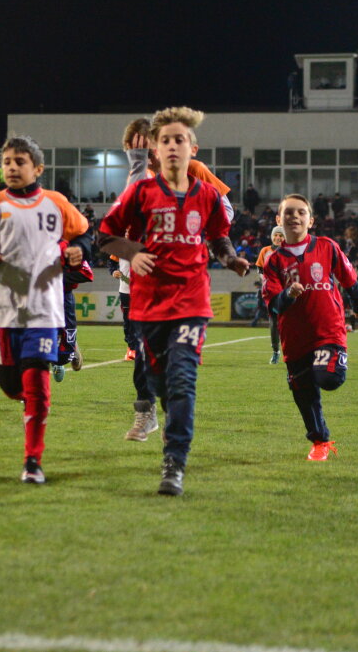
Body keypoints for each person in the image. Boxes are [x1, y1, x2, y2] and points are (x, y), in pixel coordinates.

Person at [98, 107, 250, 496]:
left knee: (183, 380)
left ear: (191, 148)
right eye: (164, 139)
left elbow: (218, 235)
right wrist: (132, 252)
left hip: (191, 302)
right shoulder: (140, 192)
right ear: (155, 147)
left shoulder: (207, 193)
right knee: (158, 380)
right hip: (148, 303)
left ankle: (174, 464)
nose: (171, 146)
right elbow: (105, 236)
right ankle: (157, 415)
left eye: (178, 139)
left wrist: (230, 258)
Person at [0, 135, 90, 485]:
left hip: (43, 309)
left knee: (38, 386)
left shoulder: (56, 203)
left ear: (38, 168)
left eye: (20, 162)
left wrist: (79, 249)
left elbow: (83, 235)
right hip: (3, 309)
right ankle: (27, 400)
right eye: (7, 162)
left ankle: (33, 461)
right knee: (9, 385)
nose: (12, 168)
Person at [262, 194, 358, 462]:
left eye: (301, 212)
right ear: (278, 219)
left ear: (311, 220)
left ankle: (333, 360)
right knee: (304, 394)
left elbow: (348, 278)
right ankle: (320, 442)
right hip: (295, 338)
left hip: (328, 330)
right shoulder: (273, 261)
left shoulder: (327, 247)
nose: (294, 217)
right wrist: (288, 295)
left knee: (328, 378)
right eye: (288, 212)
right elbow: (273, 305)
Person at [53, 256, 92, 382]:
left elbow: (87, 274)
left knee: (63, 356)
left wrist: (56, 278)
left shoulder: (71, 251)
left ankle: (65, 354)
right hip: (38, 297)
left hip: (63, 298)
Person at [254, 227, 286, 361]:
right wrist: (265, 280)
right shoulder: (265, 251)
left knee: (290, 322)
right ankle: (276, 350)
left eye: (281, 235)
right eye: (275, 235)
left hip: (288, 291)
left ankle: (293, 351)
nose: (278, 238)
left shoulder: (289, 251)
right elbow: (259, 268)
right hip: (272, 291)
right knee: (274, 322)